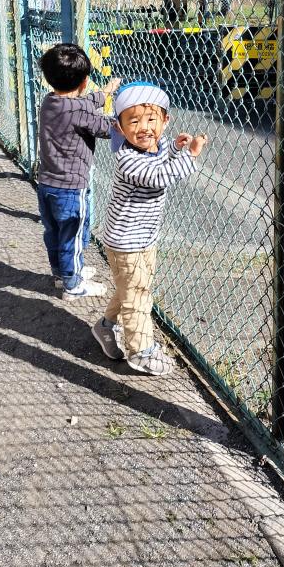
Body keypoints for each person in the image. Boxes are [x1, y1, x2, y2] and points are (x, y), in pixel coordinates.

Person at [91, 81, 207, 376]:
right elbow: (159, 176)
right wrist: (189, 155)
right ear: (119, 126)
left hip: (145, 237)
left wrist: (176, 147)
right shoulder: (127, 159)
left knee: (132, 288)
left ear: (165, 121)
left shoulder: (155, 145)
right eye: (134, 121)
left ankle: (106, 327)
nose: (144, 128)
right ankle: (141, 351)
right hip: (125, 241)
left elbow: (160, 153)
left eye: (152, 120)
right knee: (138, 294)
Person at [38, 42, 120, 300]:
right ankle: (73, 285)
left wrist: (105, 93)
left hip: (46, 185)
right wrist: (130, 120)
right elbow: (106, 127)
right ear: (85, 82)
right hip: (71, 188)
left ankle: (62, 272)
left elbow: (83, 104)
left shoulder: (49, 102)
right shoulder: (80, 112)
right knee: (72, 237)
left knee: (54, 233)